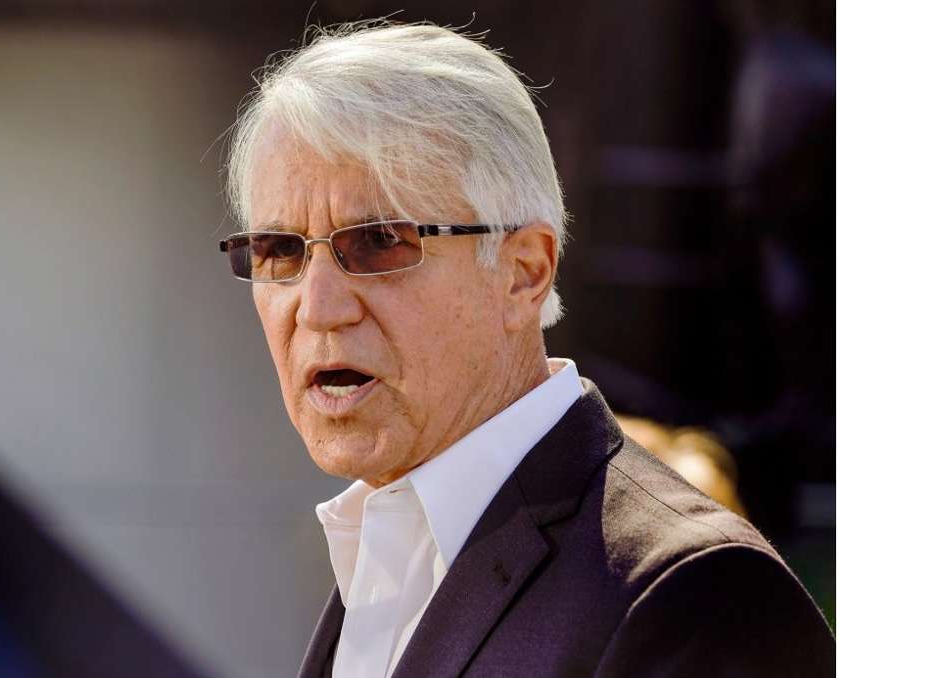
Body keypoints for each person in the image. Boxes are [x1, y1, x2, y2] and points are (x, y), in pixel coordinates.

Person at [217, 21, 834, 678]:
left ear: (524, 272)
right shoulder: (382, 547)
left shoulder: (694, 595)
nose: (317, 307)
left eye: (380, 242)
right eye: (278, 250)